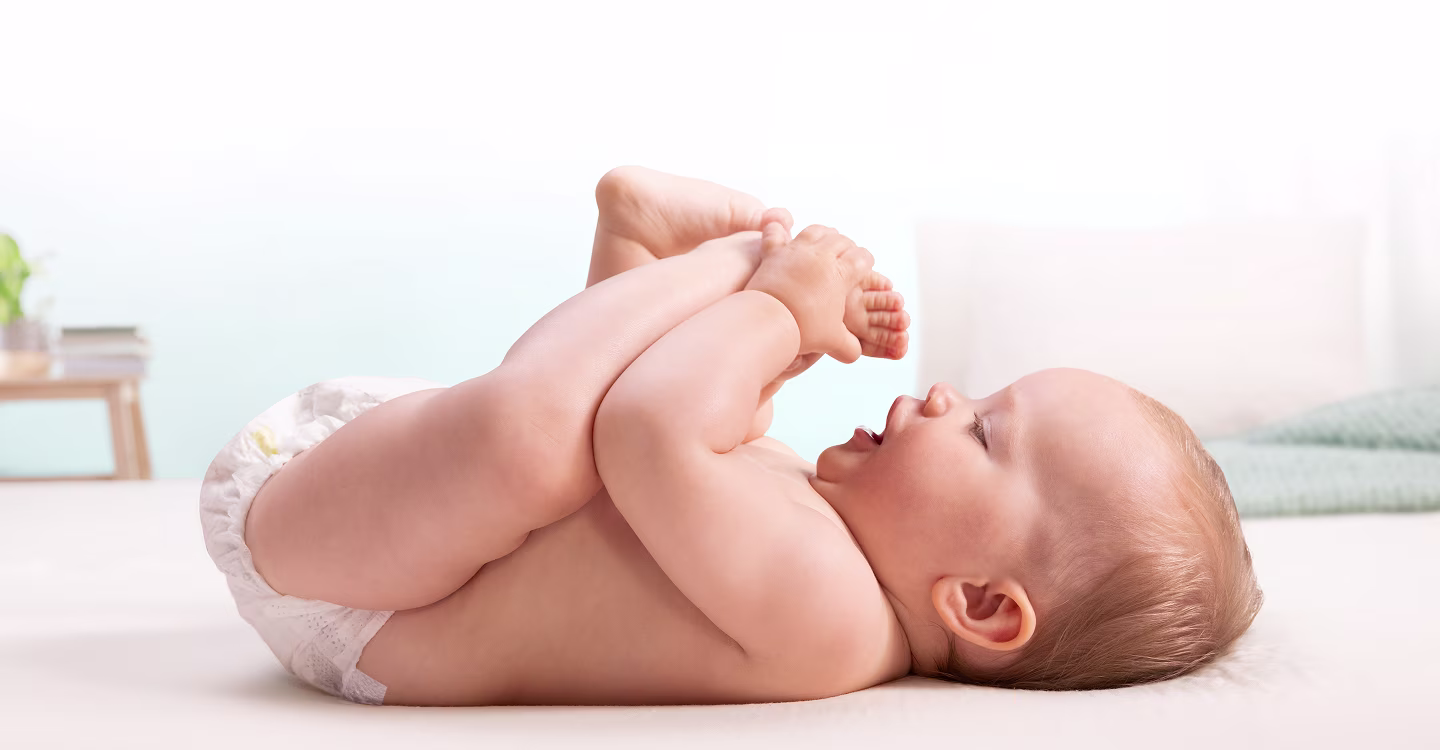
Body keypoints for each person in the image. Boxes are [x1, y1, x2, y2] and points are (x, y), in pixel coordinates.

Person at [200, 167, 1262, 706]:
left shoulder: (838, 624)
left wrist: (777, 306)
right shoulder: (825, 538)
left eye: (984, 434)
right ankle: (649, 252)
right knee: (628, 439)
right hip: (394, 509)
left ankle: (689, 260)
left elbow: (645, 429)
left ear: (980, 605)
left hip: (349, 594)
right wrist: (766, 361)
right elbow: (650, 434)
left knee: (543, 443)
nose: (943, 396)